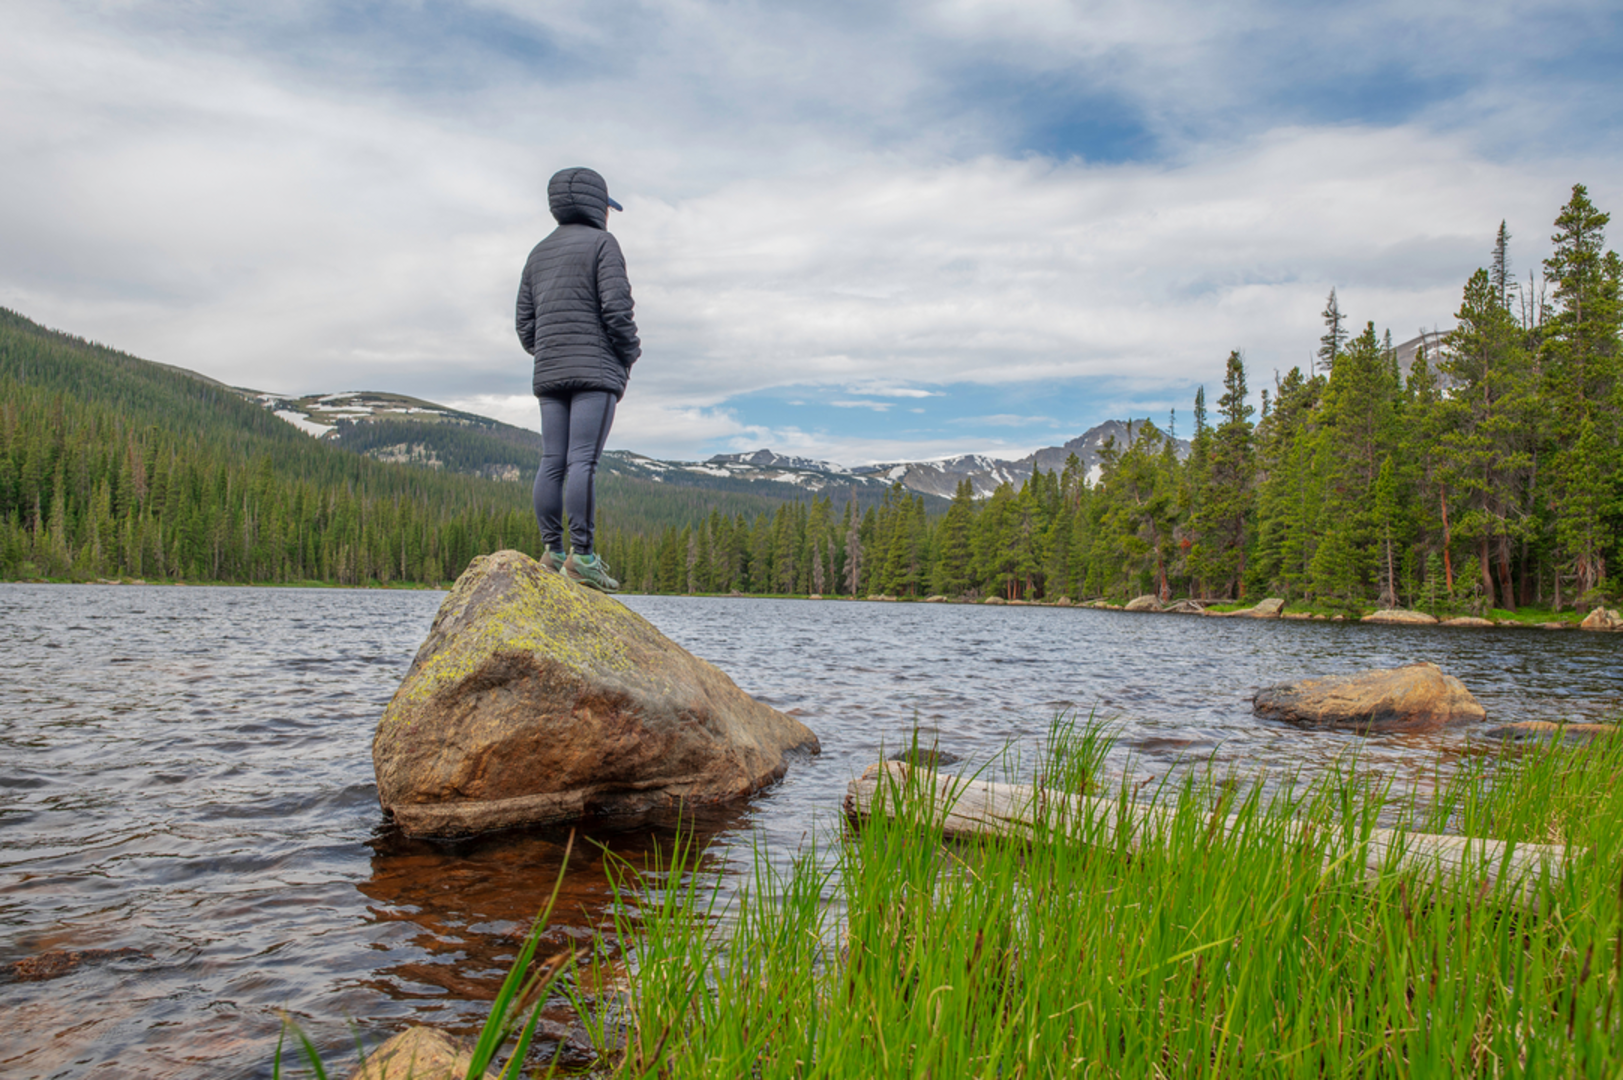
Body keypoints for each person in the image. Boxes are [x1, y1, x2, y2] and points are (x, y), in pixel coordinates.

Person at [516, 167, 641, 592]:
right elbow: (617, 309)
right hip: (595, 371)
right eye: (607, 206)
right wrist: (628, 353)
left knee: (552, 461)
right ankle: (583, 558)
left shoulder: (538, 253)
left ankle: (552, 553)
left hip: (550, 371)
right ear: (596, 204)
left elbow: (524, 324)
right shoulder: (603, 243)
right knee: (582, 461)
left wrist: (550, 350)